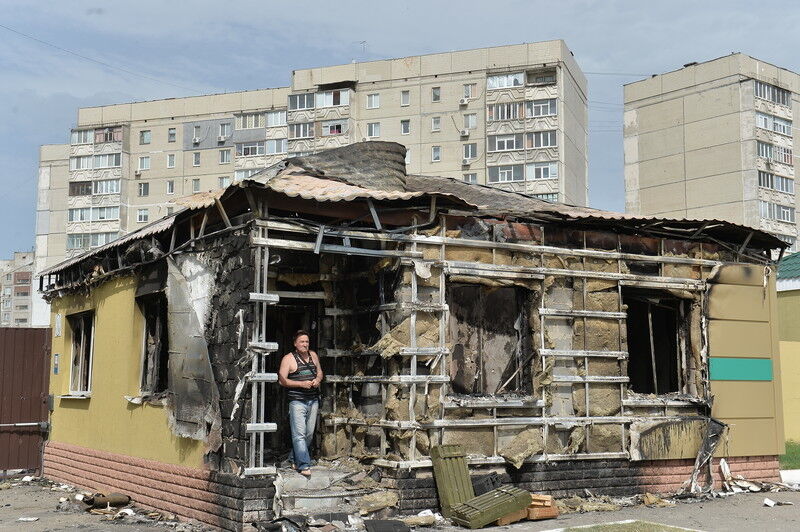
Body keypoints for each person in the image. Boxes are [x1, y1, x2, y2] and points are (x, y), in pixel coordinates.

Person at [278, 330, 323, 477]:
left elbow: (320, 372)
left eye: (307, 342)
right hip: (297, 402)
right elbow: (282, 380)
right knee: (299, 435)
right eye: (302, 342)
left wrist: (317, 380)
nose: (305, 344)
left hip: (313, 400)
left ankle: (294, 459)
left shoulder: (313, 355)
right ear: (295, 344)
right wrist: (301, 384)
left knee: (309, 434)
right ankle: (304, 465)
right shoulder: (288, 359)